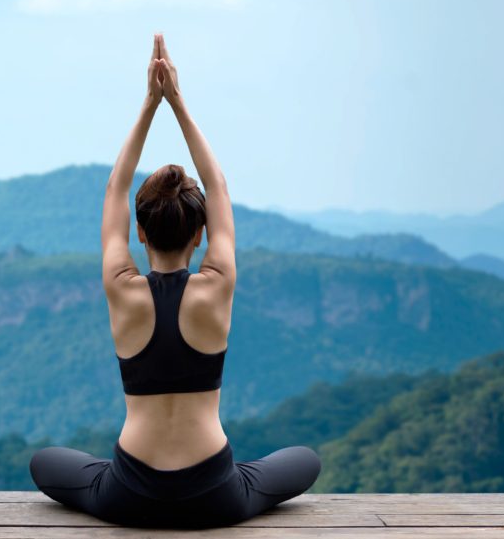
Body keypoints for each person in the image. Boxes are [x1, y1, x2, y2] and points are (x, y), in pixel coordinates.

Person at [28, 33, 321, 529]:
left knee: (45, 462)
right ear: (202, 232)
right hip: (215, 494)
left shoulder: (123, 288)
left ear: (139, 232)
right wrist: (177, 102)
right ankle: (240, 478)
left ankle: (118, 477)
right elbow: (219, 186)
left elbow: (114, 188)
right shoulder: (217, 284)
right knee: (304, 460)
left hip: (128, 492)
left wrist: (150, 103)